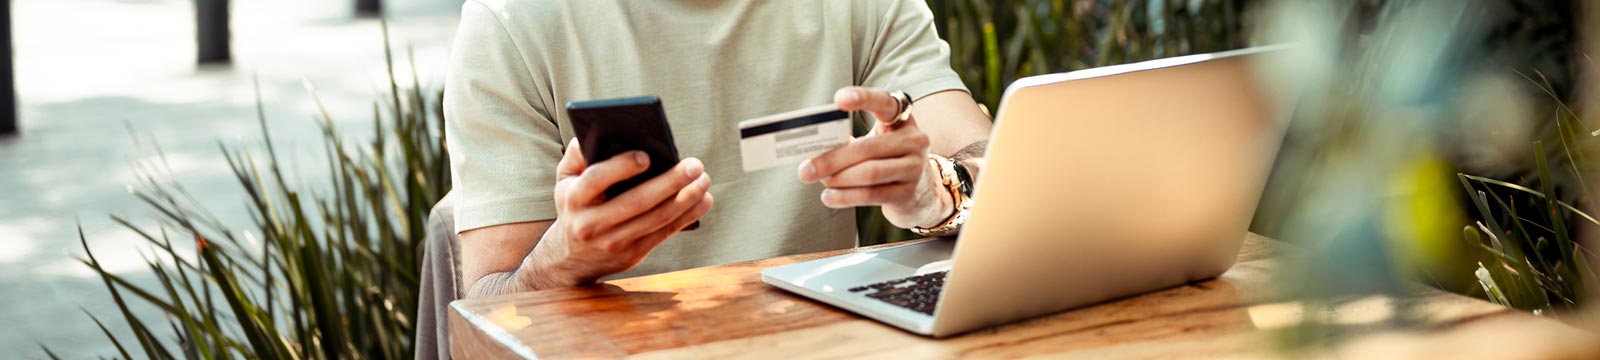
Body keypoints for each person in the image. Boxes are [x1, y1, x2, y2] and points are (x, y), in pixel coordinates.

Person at [444, 0, 991, 298]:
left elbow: (998, 164)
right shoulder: (512, 22)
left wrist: (938, 190)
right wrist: (562, 262)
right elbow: (488, 302)